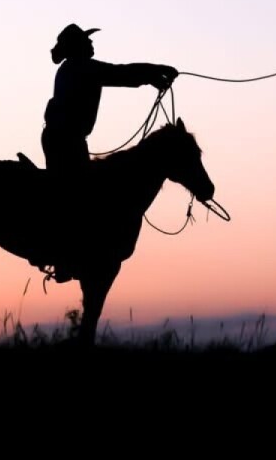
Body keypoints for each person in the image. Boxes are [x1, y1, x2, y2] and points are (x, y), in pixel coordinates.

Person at [39, 23, 177, 281]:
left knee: (73, 191)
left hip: (63, 138)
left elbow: (121, 73)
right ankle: (65, 257)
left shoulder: (73, 68)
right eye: (87, 41)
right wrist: (156, 71)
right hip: (66, 140)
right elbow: (121, 73)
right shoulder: (82, 68)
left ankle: (67, 256)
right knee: (76, 193)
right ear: (79, 47)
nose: (92, 44)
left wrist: (153, 76)